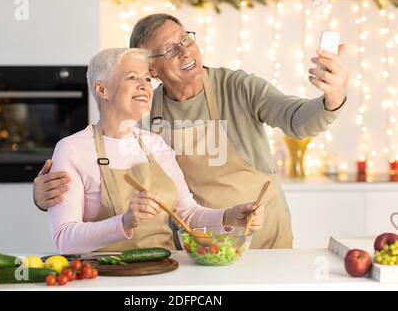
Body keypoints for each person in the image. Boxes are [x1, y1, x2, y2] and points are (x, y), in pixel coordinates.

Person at [35, 14, 348, 249]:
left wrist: (331, 98)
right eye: (170, 50)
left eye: (186, 40)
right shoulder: (144, 113)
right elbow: (102, 175)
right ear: (152, 69)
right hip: (198, 241)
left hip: (263, 234)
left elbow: (298, 121)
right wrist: (46, 197)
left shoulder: (237, 87)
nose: (185, 52)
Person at [47, 47, 264, 254]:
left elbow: (186, 214)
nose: (144, 86)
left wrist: (229, 217)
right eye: (132, 77)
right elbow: (64, 239)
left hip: (165, 270)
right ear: (102, 89)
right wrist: (124, 222)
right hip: (102, 276)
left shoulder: (155, 144)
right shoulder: (72, 149)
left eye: (148, 79)